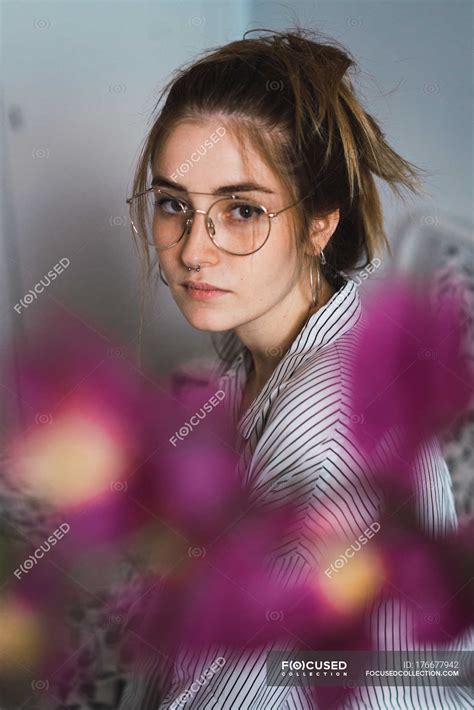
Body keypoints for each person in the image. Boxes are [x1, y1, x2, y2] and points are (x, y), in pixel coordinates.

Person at [120, 27, 472, 709]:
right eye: (173, 205)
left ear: (320, 222)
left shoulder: (329, 419)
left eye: (242, 210)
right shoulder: (253, 364)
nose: (196, 249)